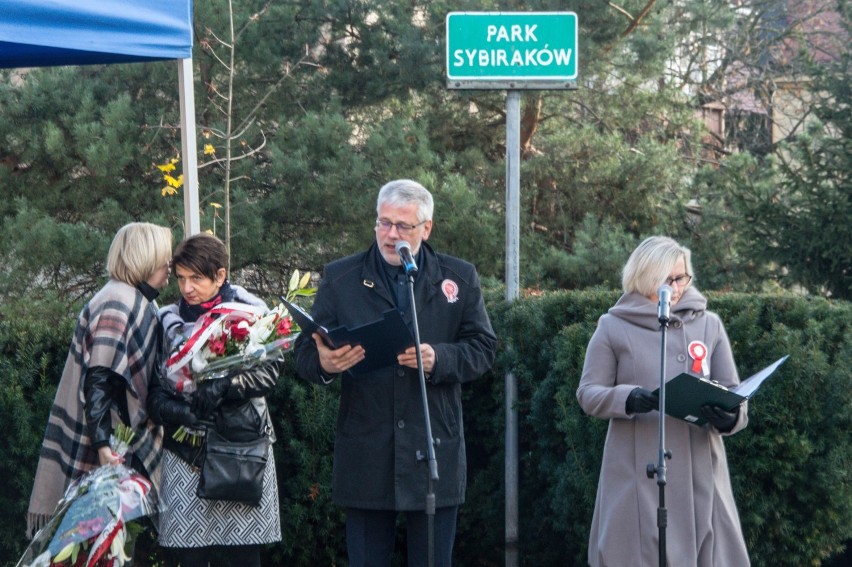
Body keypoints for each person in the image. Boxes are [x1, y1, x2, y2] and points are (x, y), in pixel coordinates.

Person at [294, 179, 497, 567]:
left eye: (403, 226)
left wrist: (440, 358)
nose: (391, 235)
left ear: (426, 228)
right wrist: (324, 363)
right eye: (383, 223)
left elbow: (484, 348)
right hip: (367, 450)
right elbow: (305, 352)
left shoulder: (459, 276)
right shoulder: (341, 277)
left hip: (434, 446)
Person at [576, 236, 750, 566]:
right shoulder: (612, 326)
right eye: (667, 279)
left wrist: (729, 416)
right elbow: (588, 392)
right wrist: (628, 398)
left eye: (681, 277)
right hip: (635, 471)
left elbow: (734, 391)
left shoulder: (709, 324)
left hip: (701, 469)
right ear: (644, 276)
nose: (677, 287)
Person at [26, 222, 173, 539]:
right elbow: (98, 381)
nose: (169, 268)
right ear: (144, 259)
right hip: (109, 446)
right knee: (102, 543)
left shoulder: (140, 300)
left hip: (121, 441)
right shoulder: (117, 302)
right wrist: (104, 445)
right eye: (164, 259)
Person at [147, 233, 282, 567]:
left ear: (220, 275)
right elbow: (153, 393)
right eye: (180, 278)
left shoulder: (253, 315)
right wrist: (185, 413)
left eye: (196, 278)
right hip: (184, 452)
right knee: (189, 557)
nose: (187, 287)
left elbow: (269, 375)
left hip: (242, 450)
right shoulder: (166, 321)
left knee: (245, 556)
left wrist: (227, 384)